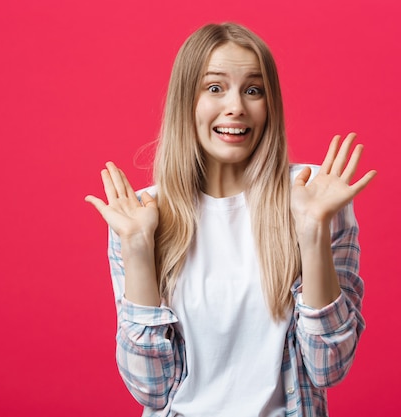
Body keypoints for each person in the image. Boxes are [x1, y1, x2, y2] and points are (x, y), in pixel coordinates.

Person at [85, 22, 376, 417]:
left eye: (253, 90)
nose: (236, 105)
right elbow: (150, 390)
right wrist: (138, 248)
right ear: (186, 101)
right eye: (215, 88)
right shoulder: (141, 215)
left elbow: (329, 367)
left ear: (269, 103)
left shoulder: (313, 196)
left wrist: (312, 233)